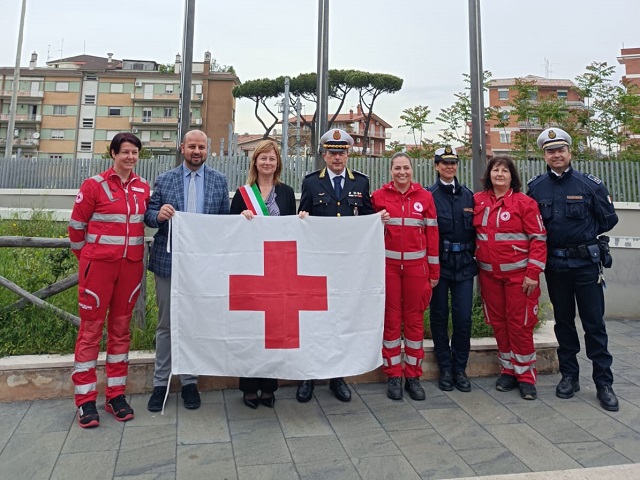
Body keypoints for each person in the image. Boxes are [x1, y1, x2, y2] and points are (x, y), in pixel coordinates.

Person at [528, 128, 620, 412]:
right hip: (555, 266)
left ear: (570, 153)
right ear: (544, 155)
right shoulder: (536, 187)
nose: (556, 155)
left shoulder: (590, 184)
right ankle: (570, 376)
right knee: (564, 323)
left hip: (585, 265)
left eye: (561, 150)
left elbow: (608, 220)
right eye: (550, 151)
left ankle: (604, 382)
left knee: (594, 324)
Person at [68, 132, 150, 428]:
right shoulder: (94, 185)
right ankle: (85, 400)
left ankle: (116, 394)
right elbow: (76, 228)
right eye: (125, 152)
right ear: (113, 153)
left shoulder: (143, 188)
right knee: (90, 332)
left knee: (121, 331)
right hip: (98, 269)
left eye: (134, 153)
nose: (130, 157)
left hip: (130, 269)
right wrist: (90, 258)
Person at [145, 129, 230, 412]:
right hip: (169, 264)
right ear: (182, 148)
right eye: (192, 146)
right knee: (166, 325)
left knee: (194, 323)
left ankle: (190, 382)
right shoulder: (165, 179)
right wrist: (158, 215)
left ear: (208, 150)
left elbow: (224, 224)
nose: (197, 151)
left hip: (202, 267)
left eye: (202, 147)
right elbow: (149, 215)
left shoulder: (219, 181)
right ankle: (161, 383)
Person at [296, 128, 376, 403]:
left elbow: (366, 217)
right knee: (313, 320)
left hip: (347, 266)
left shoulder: (361, 183)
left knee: (340, 319)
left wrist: (378, 222)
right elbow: (302, 218)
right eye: (332, 152)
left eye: (342, 152)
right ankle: (307, 375)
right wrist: (302, 217)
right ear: (324, 154)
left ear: (348, 154)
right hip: (318, 264)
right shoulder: (311, 183)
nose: (337, 157)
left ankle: (337, 376)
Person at [473, 155, 547, 401]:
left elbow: (538, 239)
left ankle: (526, 376)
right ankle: (508, 370)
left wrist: (532, 274)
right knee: (499, 324)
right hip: (489, 277)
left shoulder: (525, 203)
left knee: (520, 325)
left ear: (512, 176)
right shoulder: (478, 201)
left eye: (505, 170)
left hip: (519, 278)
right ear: (489, 175)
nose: (500, 174)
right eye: (496, 170)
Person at [229, 139, 296, 409]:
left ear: (277, 163)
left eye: (272, 158)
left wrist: (302, 219)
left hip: (278, 268)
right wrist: (239, 218)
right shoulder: (242, 194)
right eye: (263, 158)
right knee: (250, 327)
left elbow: (292, 230)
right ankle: (248, 386)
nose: (267, 163)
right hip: (250, 269)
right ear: (254, 162)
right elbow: (229, 232)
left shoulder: (287, 192)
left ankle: (269, 386)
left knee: (274, 329)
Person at [371, 152, 440, 401]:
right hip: (388, 269)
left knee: (414, 322)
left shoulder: (426, 197)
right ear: (390, 171)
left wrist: (434, 272)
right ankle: (393, 376)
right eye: (397, 168)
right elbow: (368, 233)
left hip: (416, 271)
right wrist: (377, 219)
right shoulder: (378, 197)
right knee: (391, 321)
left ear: (413, 170)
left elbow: (432, 237)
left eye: (406, 168)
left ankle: (412, 376)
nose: (402, 172)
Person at [427, 146, 477, 393]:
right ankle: (445, 368)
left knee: (463, 319)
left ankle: (460, 368)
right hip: (440, 265)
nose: (449, 167)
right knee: (439, 317)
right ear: (436, 166)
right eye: (444, 163)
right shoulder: (429, 196)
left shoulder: (469, 195)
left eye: (453, 163)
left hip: (465, 265)